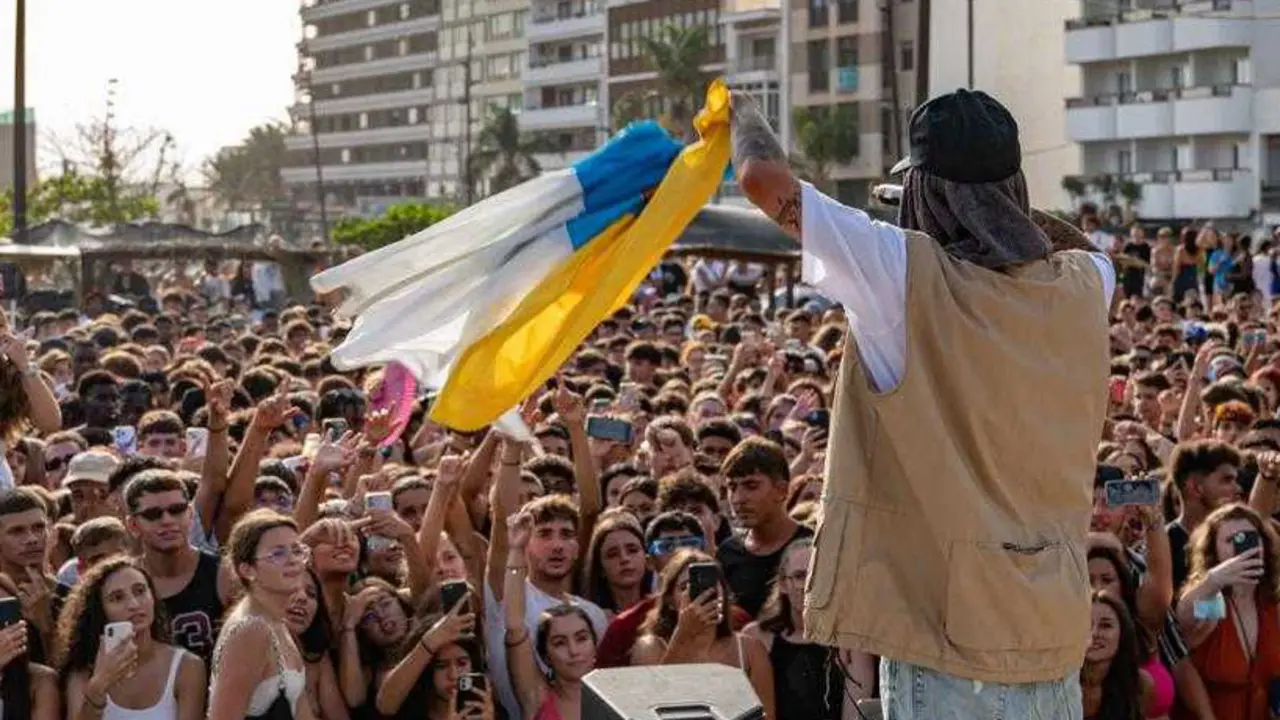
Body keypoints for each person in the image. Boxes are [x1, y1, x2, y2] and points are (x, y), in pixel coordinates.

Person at [731, 87, 1115, 716]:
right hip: (1052, 631)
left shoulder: (901, 274)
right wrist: (996, 203)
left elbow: (762, 179)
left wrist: (741, 112)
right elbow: (1075, 243)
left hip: (947, 648)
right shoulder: (1086, 285)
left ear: (924, 195)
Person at [56, 556, 206, 720]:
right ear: (100, 610)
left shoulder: (187, 666)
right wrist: (99, 685)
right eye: (118, 598)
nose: (134, 604)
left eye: (140, 591)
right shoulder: (82, 674)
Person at [629, 549, 774, 717]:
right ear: (669, 600)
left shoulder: (750, 649)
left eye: (711, 586)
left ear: (723, 593)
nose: (699, 594)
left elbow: (767, 715)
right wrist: (684, 635)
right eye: (684, 587)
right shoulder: (649, 648)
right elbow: (650, 710)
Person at [744, 538, 874, 720]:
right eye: (800, 576)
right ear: (782, 584)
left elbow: (856, 713)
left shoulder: (851, 641)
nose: (810, 584)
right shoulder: (757, 637)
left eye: (818, 574)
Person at [1175, 503, 1280, 720]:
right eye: (1231, 540)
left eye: (1251, 537)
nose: (1241, 546)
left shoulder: (1271, 605)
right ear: (1214, 551)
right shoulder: (1216, 605)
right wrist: (1214, 580)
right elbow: (1184, 618)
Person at [208, 510, 312, 720]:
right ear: (247, 570)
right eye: (278, 553)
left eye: (297, 550)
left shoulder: (277, 622)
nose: (293, 560)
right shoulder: (251, 630)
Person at [123, 470, 232, 664]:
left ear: (190, 514)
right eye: (152, 514)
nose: (167, 521)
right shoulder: (122, 582)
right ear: (133, 525)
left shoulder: (223, 573)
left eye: (177, 510)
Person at [505, 511, 598, 720]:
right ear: (546, 656)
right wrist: (516, 550)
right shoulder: (536, 698)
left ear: (595, 644)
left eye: (581, 638)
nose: (574, 651)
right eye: (559, 642)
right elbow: (514, 624)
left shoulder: (619, 698)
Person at [715, 438, 810, 619]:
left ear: (781, 490)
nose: (738, 499)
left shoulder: (813, 546)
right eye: (732, 487)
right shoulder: (728, 553)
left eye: (751, 486)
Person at [1081, 591, 1151, 720]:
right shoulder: (1053, 685)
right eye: (1086, 625)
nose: (1094, 633)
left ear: (1122, 634)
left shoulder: (1140, 683)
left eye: (1105, 626)